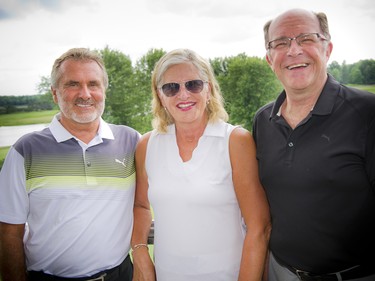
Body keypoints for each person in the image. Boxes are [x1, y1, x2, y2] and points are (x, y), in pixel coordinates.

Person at [253, 8, 375, 281]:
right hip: (280, 272)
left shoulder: (368, 114)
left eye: (306, 38)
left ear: (327, 49)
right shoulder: (262, 120)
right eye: (281, 43)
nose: (293, 50)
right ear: (269, 58)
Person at [130, 48, 271, 281]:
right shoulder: (147, 145)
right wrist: (140, 251)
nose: (183, 95)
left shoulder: (235, 141)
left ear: (209, 90)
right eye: (171, 87)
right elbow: (141, 206)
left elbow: (259, 227)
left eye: (193, 84)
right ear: (160, 95)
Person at [0, 48, 140, 281]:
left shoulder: (131, 141)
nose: (85, 94)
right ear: (55, 93)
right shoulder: (25, 150)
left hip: (120, 275)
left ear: (104, 90)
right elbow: (7, 231)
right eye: (73, 84)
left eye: (93, 84)